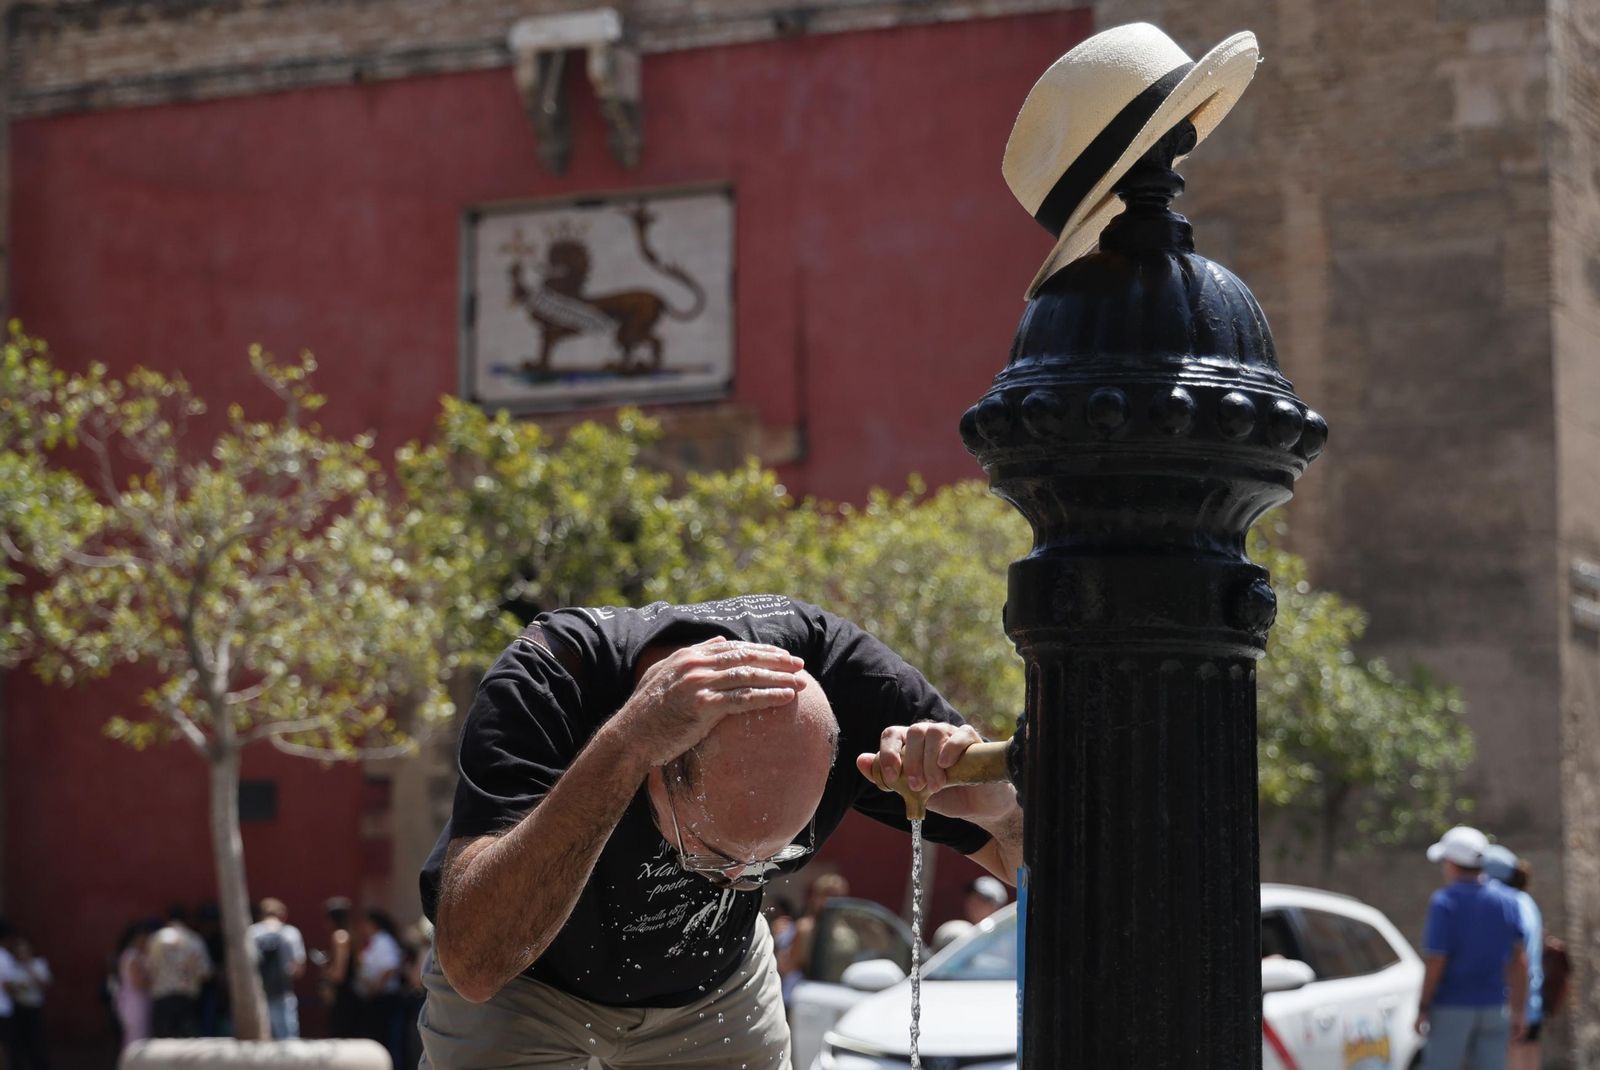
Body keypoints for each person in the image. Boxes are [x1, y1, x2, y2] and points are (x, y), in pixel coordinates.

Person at [419, 596, 1024, 1070]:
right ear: (656, 767)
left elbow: (1050, 868)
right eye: (715, 858)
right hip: (530, 985)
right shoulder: (554, 677)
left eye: (773, 861)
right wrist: (620, 750)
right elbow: (474, 964)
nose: (738, 882)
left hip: (717, 991)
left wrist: (1002, 817)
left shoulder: (856, 686)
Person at [1416, 826, 1527, 1070]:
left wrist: (1423, 1006)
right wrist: (1518, 1009)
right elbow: (1519, 960)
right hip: (1496, 1007)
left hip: (1451, 1007)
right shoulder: (1508, 900)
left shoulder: (1444, 902)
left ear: (1452, 863)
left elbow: (1437, 960)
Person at [1483, 847, 1543, 1070]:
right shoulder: (1526, 901)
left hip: (1513, 1003)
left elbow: (1515, 957)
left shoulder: (1509, 905)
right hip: (1532, 1001)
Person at [145, 906, 213, 1038]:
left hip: (162, 997)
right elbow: (205, 973)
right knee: (185, 1043)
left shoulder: (156, 939)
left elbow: (148, 968)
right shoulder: (195, 940)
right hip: (187, 998)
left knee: (162, 1041)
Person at [245, 897, 307, 1040]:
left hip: (257, 993)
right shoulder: (291, 933)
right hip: (283, 990)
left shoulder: (251, 932)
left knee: (259, 1037)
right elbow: (298, 968)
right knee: (287, 1036)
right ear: (282, 914)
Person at [355, 909, 407, 1070]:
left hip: (384, 999)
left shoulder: (383, 940)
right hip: (377, 997)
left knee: (383, 1039)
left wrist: (376, 988)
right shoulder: (376, 941)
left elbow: (390, 968)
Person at [4, 931, 52, 1070]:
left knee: (36, 1044)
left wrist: (29, 967)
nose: (22, 954)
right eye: (19, 951)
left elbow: (44, 983)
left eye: (25, 950)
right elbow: (11, 987)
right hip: (18, 1009)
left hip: (33, 1009)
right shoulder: (12, 966)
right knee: (18, 1044)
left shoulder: (38, 964)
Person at [319, 897, 362, 1037]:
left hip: (342, 995)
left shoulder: (339, 936)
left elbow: (339, 973)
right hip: (350, 992)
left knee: (340, 1034)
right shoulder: (352, 934)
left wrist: (325, 974)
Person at [113, 921, 158, 1049]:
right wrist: (156, 981)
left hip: (136, 1001)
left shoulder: (135, 955)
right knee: (137, 1039)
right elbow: (138, 983)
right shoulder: (132, 956)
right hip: (135, 1003)